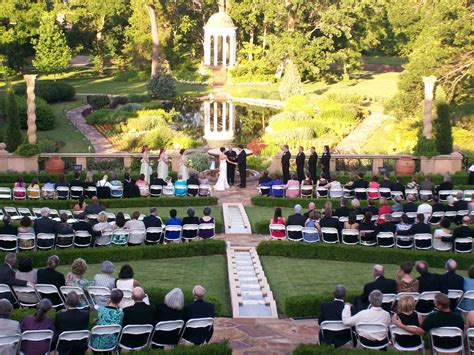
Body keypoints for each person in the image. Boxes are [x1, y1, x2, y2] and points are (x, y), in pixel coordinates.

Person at [392, 293, 464, 351]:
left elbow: (420, 332)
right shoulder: (459, 317)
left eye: (434, 301)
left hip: (437, 344)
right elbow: (462, 332)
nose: (433, 302)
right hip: (456, 345)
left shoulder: (432, 317)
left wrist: (401, 325)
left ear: (439, 306)